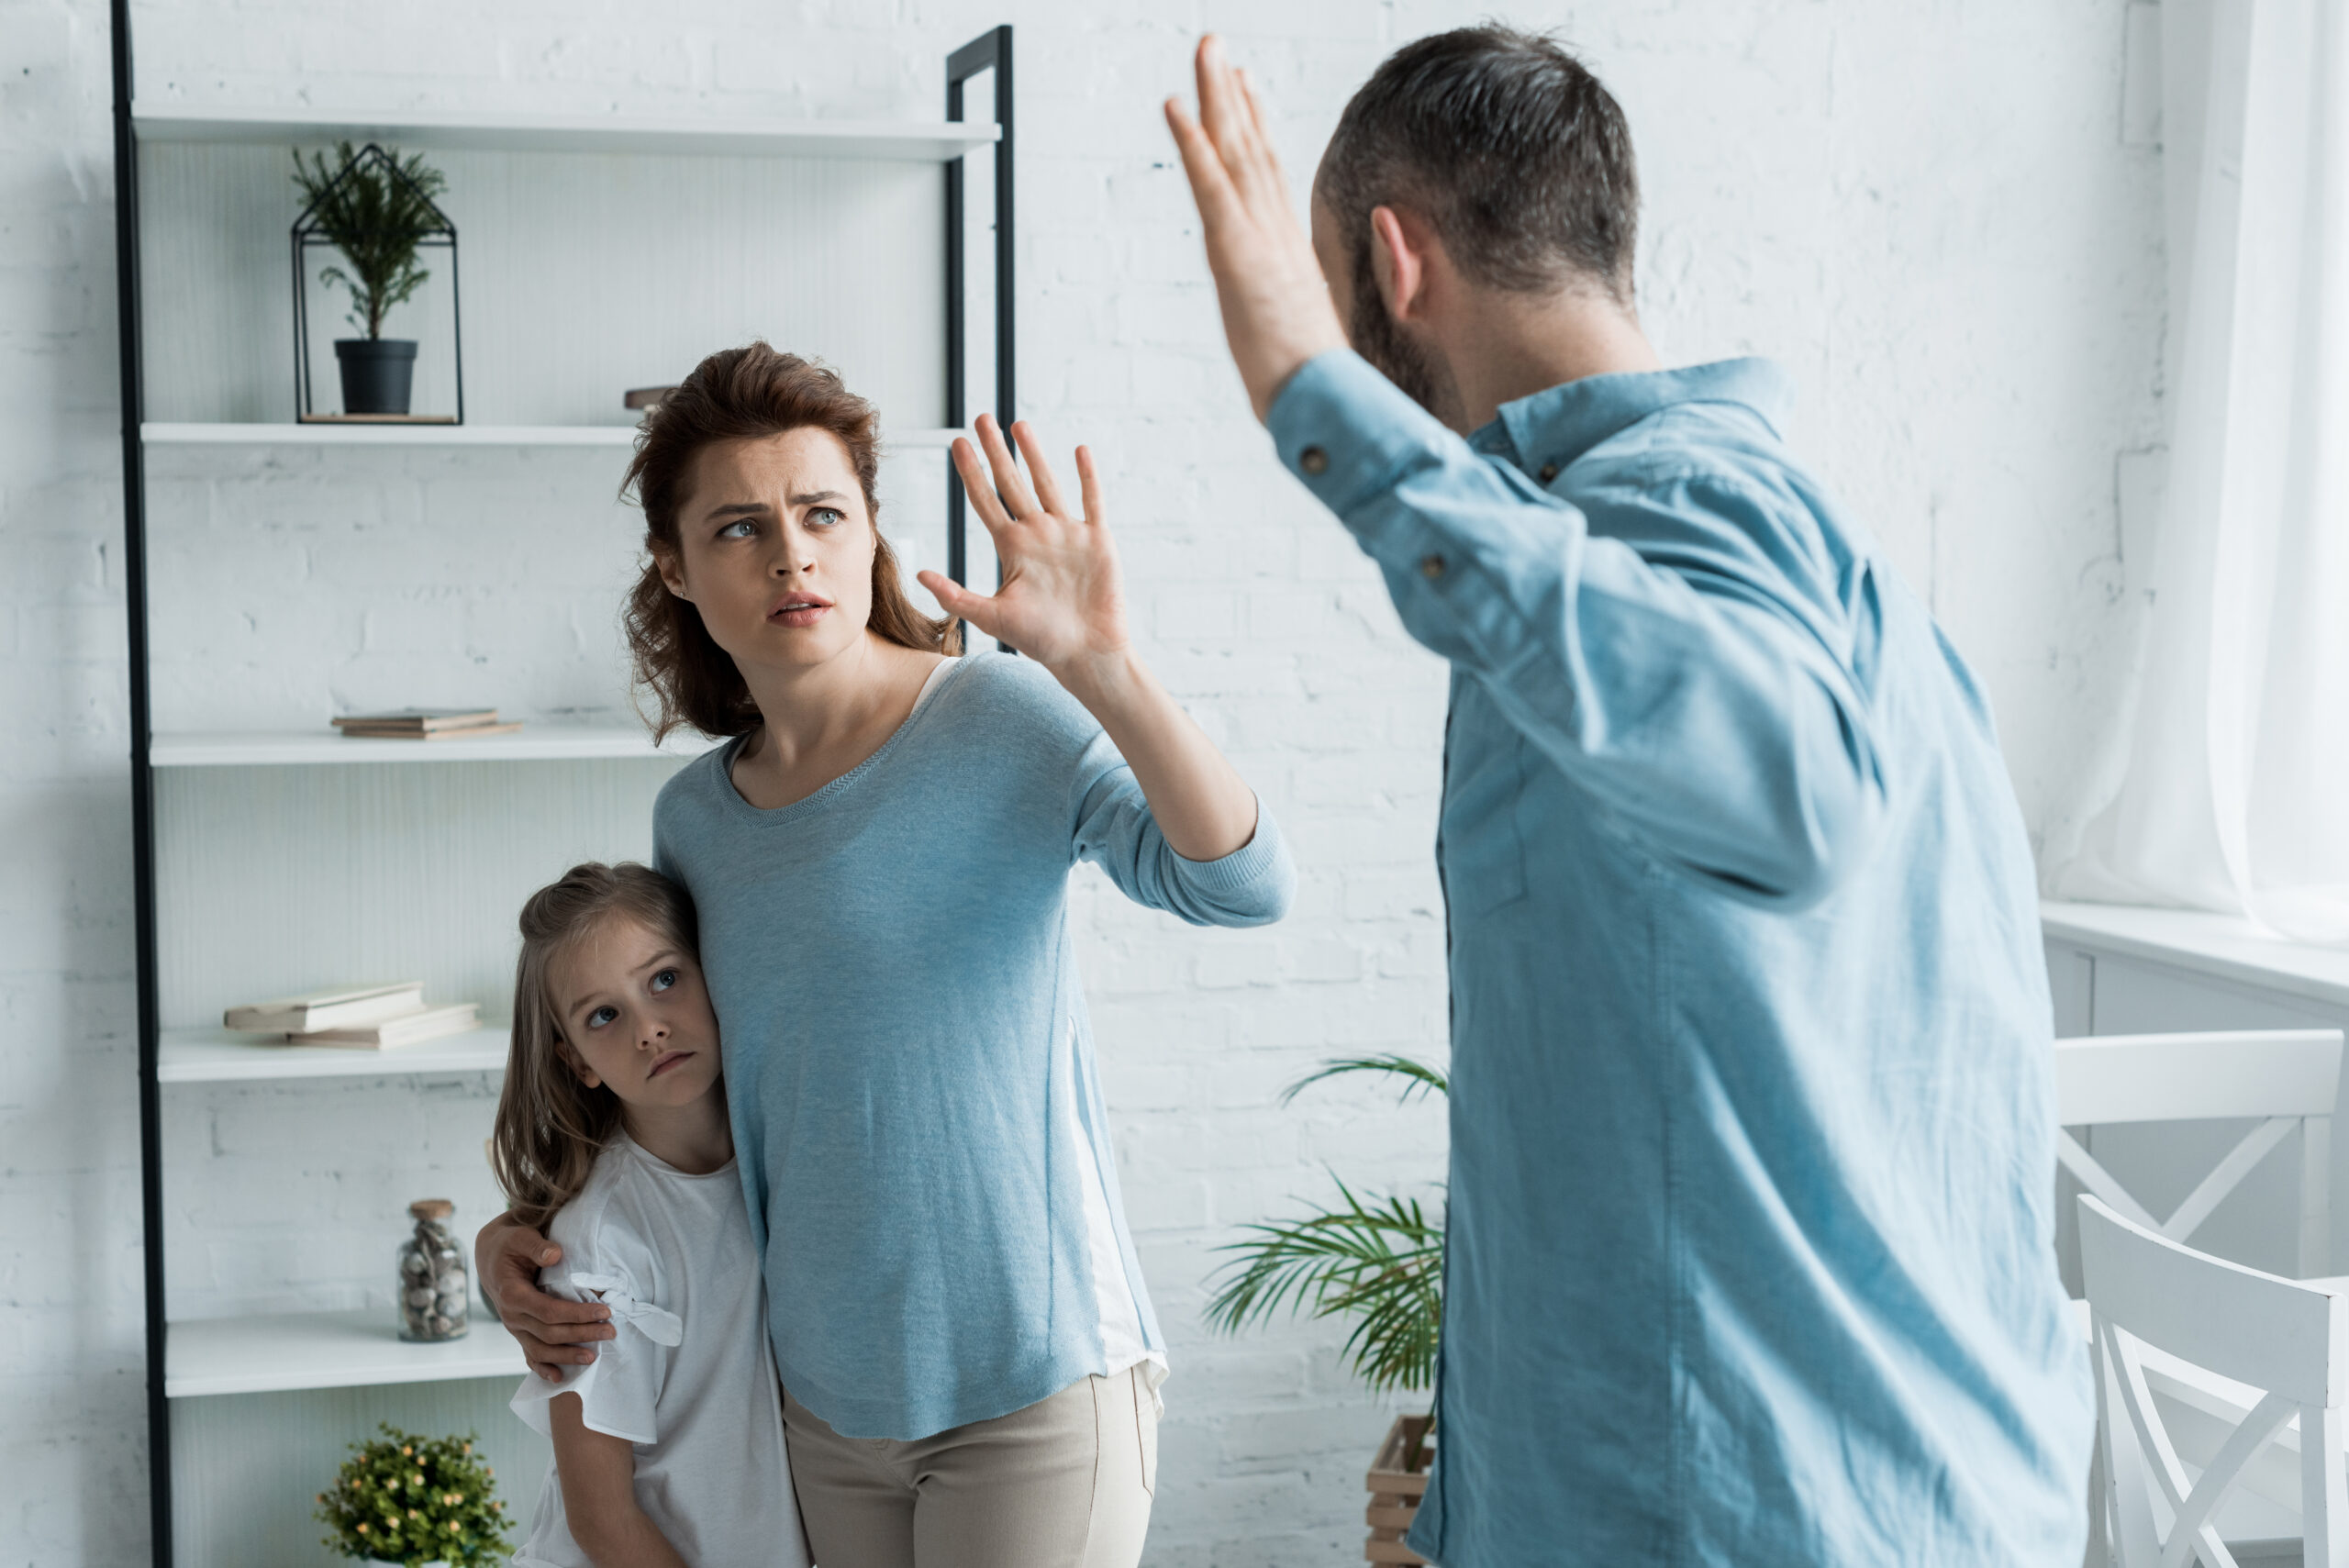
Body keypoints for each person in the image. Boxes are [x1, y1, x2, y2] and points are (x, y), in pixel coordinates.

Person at [1165, 27, 2092, 1567]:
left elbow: (1793, 791)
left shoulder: (1678, 511)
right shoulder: (1788, 555)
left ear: (1392, 267)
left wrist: (1314, 393)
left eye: (1327, 296)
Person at [477, 343, 1295, 1568]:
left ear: (868, 534)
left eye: (822, 514)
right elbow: (694, 1105)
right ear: (678, 567)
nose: (792, 554)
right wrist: (524, 1236)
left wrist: (1104, 668)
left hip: (1034, 1380)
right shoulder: (694, 822)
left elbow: (1240, 885)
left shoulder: (1001, 719)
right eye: (741, 527)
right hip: (822, 1407)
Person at [492, 861, 812, 1568]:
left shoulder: (787, 1150)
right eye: (604, 1015)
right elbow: (601, 1518)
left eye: (664, 979)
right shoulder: (601, 1243)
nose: (650, 1028)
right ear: (577, 1062)